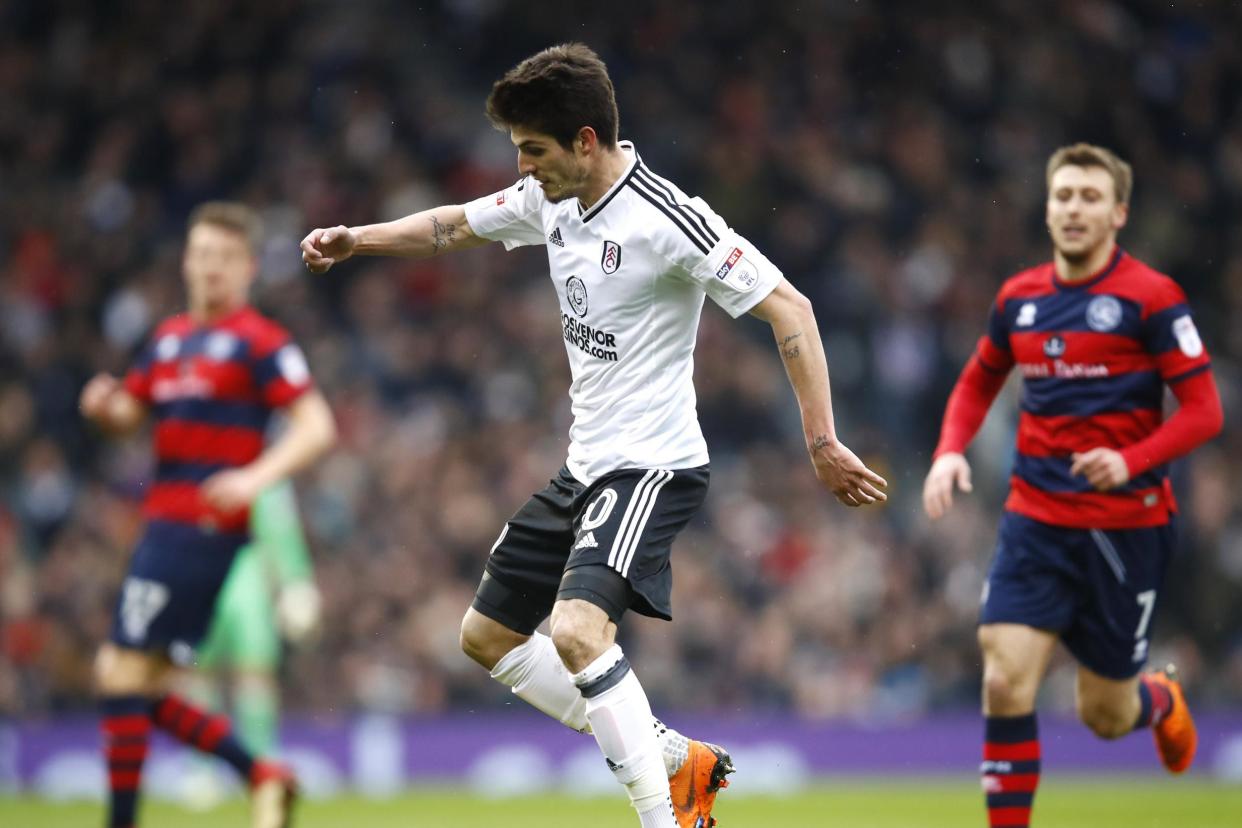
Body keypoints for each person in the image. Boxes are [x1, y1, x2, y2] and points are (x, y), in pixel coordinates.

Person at [302, 42, 887, 828]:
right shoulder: (550, 200)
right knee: (485, 637)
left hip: (654, 466)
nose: (523, 167)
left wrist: (821, 441)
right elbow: (451, 227)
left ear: (585, 140)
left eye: (534, 151)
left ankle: (667, 817)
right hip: (586, 467)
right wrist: (357, 240)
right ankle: (676, 758)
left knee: (578, 631)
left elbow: (793, 309)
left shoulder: (669, 218)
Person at [922, 143, 1223, 828]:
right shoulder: (1020, 299)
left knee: (1105, 715)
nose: (1074, 209)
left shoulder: (1152, 298)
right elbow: (978, 379)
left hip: (1127, 528)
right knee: (1002, 680)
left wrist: (1132, 459)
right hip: (1035, 521)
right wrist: (948, 451)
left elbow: (1205, 411)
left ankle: (1159, 701)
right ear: (1049, 207)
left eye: (1090, 197)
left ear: (1118, 213)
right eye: (1063, 196)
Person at [81, 201, 337, 828]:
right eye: (201, 256)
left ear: (247, 268)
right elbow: (129, 419)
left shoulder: (261, 343)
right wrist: (103, 407)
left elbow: (316, 427)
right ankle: (263, 776)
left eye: (224, 258)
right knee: (137, 681)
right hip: (161, 524)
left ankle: (136, 816)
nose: (210, 269)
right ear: (186, 262)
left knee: (119, 671)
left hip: (200, 528)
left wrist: (254, 477)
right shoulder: (166, 340)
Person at [179, 480, 321, 808]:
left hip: (247, 564)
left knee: (253, 671)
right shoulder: (195, 458)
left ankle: (262, 765)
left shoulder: (263, 463)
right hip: (199, 563)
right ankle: (202, 770)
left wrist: (295, 580)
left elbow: (279, 523)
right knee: (200, 673)